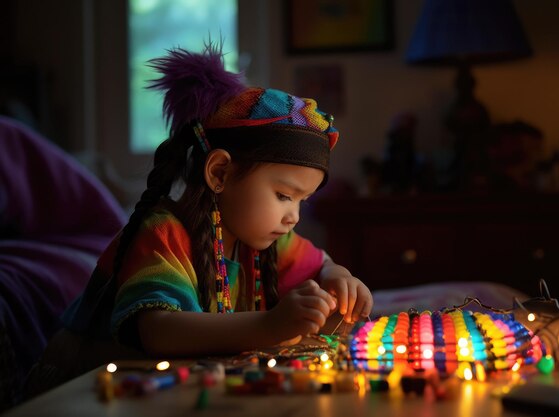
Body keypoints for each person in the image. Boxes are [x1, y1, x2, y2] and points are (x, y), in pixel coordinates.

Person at [24, 42, 372, 395]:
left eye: (302, 201)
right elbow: (158, 330)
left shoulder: (264, 237)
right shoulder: (163, 233)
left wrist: (338, 277)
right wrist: (269, 325)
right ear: (219, 172)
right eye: (283, 196)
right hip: (86, 384)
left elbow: (319, 264)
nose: (292, 217)